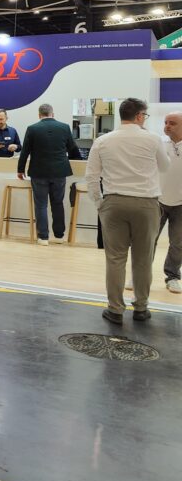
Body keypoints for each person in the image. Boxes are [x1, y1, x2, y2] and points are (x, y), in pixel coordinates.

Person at [86, 98, 169, 324]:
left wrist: (99, 203)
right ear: (140, 116)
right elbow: (165, 167)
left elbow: (92, 176)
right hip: (146, 204)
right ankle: (141, 307)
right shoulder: (153, 139)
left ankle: (115, 309)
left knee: (115, 259)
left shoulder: (103, 141)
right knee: (143, 259)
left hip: (114, 203)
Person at [16, 103, 81, 245]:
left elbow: (25, 151)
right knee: (57, 203)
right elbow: (72, 148)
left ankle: (43, 237)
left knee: (41, 205)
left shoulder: (32, 128)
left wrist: (20, 169)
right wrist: (79, 160)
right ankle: (59, 236)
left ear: (39, 115)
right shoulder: (64, 127)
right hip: (59, 171)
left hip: (38, 172)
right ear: (53, 114)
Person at [159, 112, 182, 294]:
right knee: (147, 241)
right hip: (157, 201)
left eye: (172, 123)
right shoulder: (158, 144)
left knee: (178, 243)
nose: (167, 126)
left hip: (180, 204)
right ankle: (139, 275)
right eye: (166, 122)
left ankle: (173, 276)